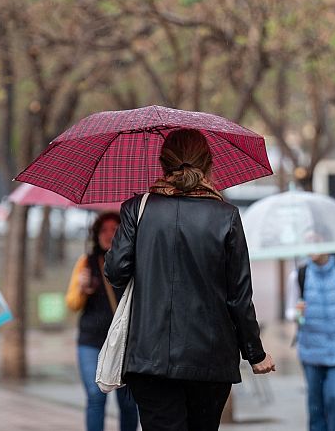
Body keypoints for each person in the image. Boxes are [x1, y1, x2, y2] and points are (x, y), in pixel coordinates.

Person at [104, 128, 276, 431]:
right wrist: (255, 353)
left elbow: (116, 271)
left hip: (148, 356)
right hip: (210, 359)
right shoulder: (226, 216)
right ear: (209, 162)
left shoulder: (138, 209)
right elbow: (239, 296)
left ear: (163, 163)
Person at [66, 211, 139, 431]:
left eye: (115, 230)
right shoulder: (86, 262)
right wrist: (82, 288)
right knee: (95, 396)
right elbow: (72, 304)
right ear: (96, 234)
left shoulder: (133, 261)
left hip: (125, 343)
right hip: (91, 342)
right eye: (103, 230)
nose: (109, 234)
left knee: (128, 402)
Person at [286, 251, 335, 431]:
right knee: (315, 405)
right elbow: (290, 313)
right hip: (311, 350)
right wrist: (298, 313)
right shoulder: (298, 275)